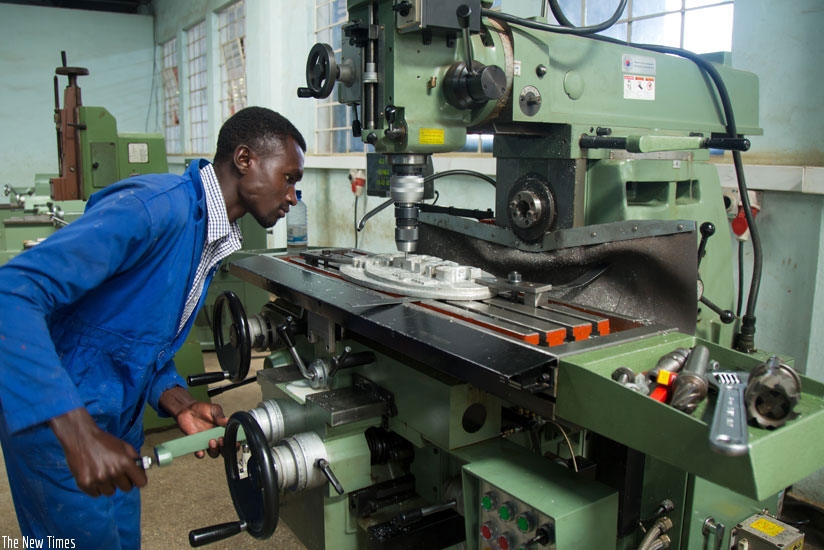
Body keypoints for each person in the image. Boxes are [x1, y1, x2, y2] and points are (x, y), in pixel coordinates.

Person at [0, 106, 306, 548]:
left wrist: (177, 400)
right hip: (59, 425)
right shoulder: (153, 209)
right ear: (245, 159)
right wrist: (76, 431)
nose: (293, 196)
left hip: (117, 424)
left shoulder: (208, 233)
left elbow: (135, 335)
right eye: (289, 178)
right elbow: (12, 293)